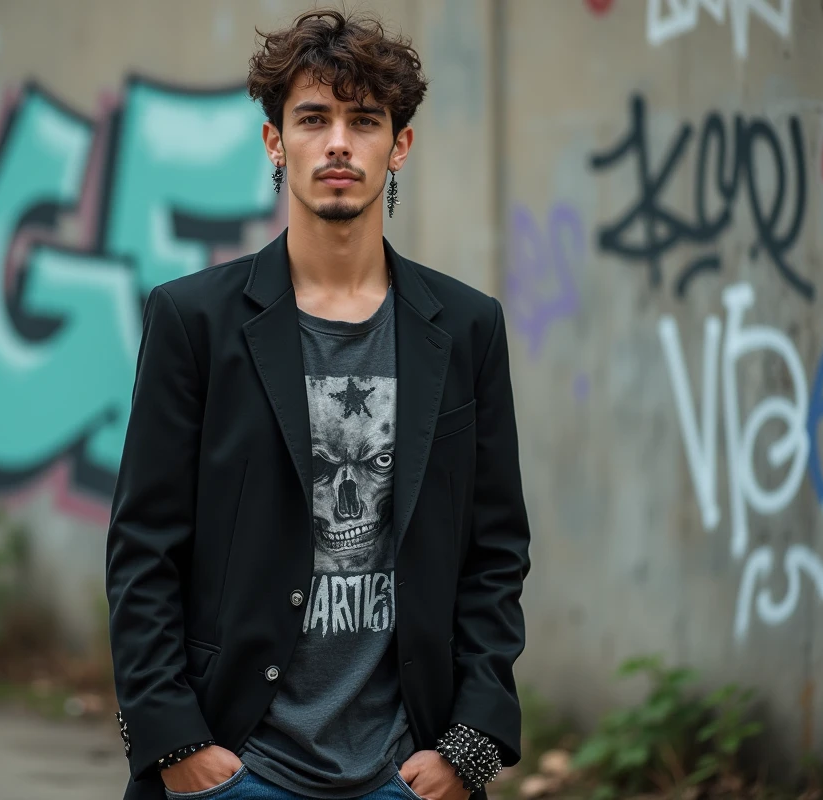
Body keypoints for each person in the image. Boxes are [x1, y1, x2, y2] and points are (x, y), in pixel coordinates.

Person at [105, 9, 531, 800]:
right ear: (276, 142)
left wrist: (465, 751)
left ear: (398, 144)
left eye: (364, 120)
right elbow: (143, 551)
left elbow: (495, 551)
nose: (339, 141)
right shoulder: (194, 322)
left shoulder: (467, 327)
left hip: (406, 772)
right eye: (313, 118)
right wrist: (177, 747)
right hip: (237, 766)